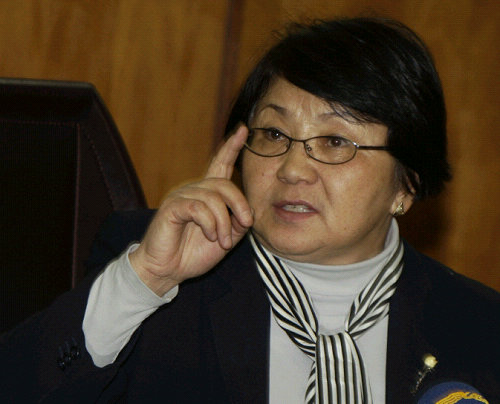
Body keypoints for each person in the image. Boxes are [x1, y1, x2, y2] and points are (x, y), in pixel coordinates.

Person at [1, 16, 499, 404]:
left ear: (407, 184)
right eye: (274, 134)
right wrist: (144, 281)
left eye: (334, 141)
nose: (292, 169)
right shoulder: (159, 282)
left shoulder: (479, 326)